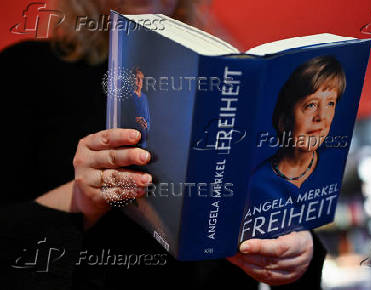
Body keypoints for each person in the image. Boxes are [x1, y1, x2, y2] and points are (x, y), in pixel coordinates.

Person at [0, 1, 326, 289]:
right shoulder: (24, 73)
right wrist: (80, 200)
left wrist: (296, 248)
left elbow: (259, 204)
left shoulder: (225, 73)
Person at [242, 55, 346, 241]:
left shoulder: (337, 163)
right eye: (311, 105)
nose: (321, 117)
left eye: (330, 103)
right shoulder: (255, 186)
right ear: (284, 120)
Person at [120, 67, 151, 149]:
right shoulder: (128, 96)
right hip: (132, 137)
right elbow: (124, 116)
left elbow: (148, 117)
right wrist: (136, 120)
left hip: (143, 139)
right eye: (137, 79)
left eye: (141, 79)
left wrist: (146, 124)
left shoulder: (144, 97)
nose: (140, 82)